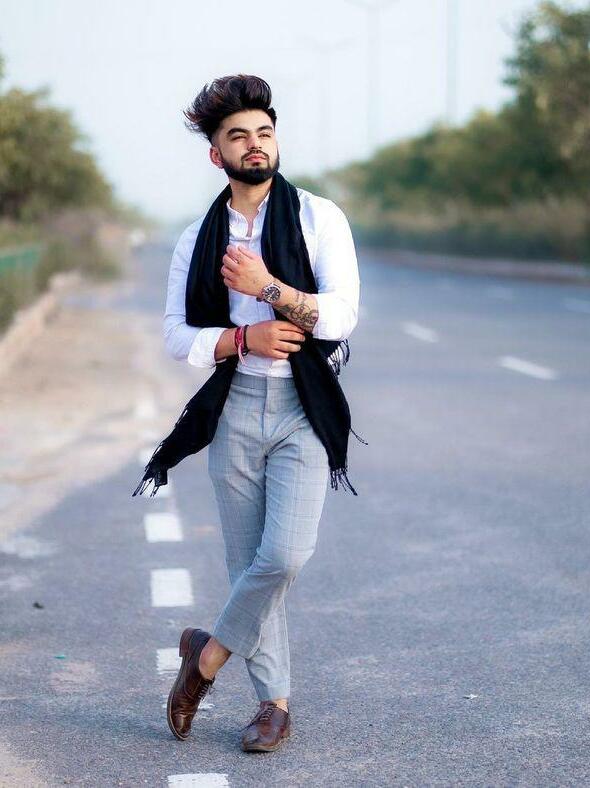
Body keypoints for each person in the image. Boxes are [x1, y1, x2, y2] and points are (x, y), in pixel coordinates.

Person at [162, 74, 361, 752]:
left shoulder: (318, 218)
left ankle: (207, 656)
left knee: (284, 555)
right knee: (247, 561)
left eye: (264, 132)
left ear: (276, 141)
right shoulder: (198, 238)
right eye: (238, 135)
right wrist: (243, 337)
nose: (255, 144)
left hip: (304, 405)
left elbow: (341, 314)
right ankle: (272, 705)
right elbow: (176, 336)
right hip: (236, 405)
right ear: (216, 153)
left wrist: (268, 288)